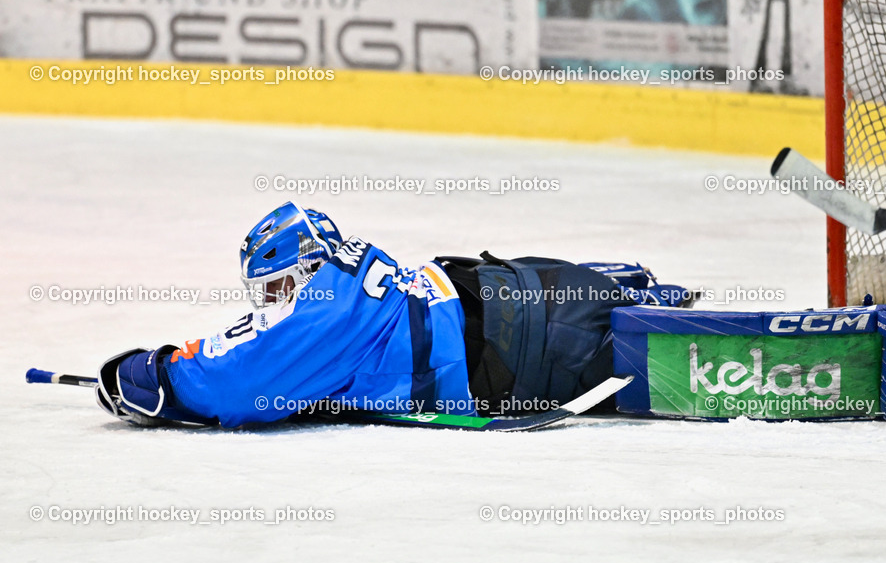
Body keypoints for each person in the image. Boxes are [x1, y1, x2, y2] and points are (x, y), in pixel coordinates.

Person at [96, 202, 694, 427]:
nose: (272, 301)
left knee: (609, 353)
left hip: (507, 358)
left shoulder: (322, 317)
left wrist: (148, 375)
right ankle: (618, 288)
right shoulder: (347, 267)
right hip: (497, 288)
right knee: (574, 297)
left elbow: (236, 385)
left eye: (276, 286)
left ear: (303, 270)